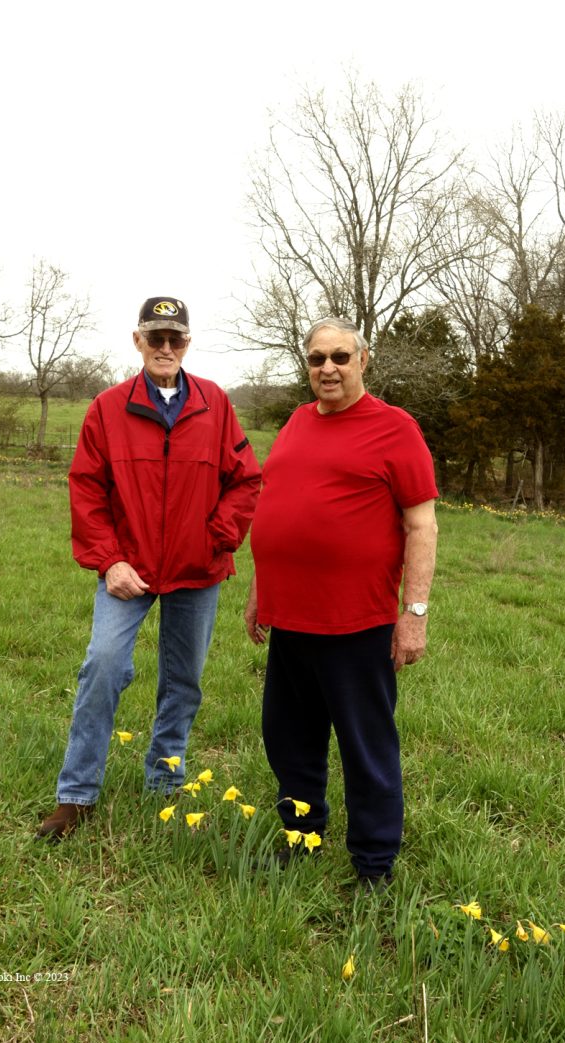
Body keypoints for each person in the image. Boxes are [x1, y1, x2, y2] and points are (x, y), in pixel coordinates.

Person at [37, 297, 261, 839]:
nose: (165, 348)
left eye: (175, 339)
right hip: (126, 571)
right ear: (137, 340)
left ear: (187, 342)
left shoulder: (215, 404)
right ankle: (77, 794)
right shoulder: (107, 408)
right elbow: (87, 489)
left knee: (182, 681)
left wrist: (218, 539)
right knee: (104, 668)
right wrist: (109, 560)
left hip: (197, 571)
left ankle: (164, 781)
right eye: (155, 338)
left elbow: (246, 480)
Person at [244, 317, 438, 889]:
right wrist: (261, 587)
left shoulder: (395, 429)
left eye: (339, 357)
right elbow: (277, 506)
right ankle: (302, 836)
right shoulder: (298, 423)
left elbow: (421, 524)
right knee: (289, 739)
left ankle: (373, 865)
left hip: (356, 623)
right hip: (292, 621)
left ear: (363, 360)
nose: (327, 368)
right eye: (316, 359)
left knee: (365, 747)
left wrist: (415, 613)